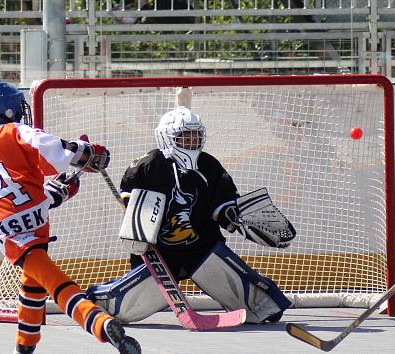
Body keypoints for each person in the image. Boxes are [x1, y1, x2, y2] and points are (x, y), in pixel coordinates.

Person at [0, 82, 141, 354]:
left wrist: (55, 193)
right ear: (9, 109)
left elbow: (12, 192)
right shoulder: (15, 130)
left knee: (33, 282)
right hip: (31, 223)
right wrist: (88, 153)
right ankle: (100, 323)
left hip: (3, 229)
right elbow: (53, 148)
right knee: (54, 282)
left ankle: (24, 347)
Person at [86, 105, 292, 325]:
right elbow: (132, 204)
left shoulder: (209, 165)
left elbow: (224, 202)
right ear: (166, 137)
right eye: (185, 137)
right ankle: (97, 297)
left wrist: (233, 216)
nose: (192, 142)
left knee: (266, 308)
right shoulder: (148, 164)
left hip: (202, 248)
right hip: (160, 253)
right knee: (118, 312)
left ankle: (256, 299)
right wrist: (137, 223)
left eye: (196, 136)